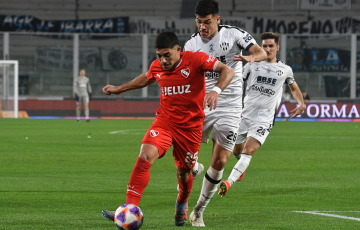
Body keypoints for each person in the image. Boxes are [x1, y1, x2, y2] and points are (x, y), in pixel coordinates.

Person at [101, 31, 235, 227]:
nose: (162, 60)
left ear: (178, 50)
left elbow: (227, 71)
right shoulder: (157, 67)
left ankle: (182, 201)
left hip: (190, 129)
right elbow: (146, 78)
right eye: (159, 56)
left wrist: (216, 91)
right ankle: (128, 209)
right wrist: (119, 88)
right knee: (145, 155)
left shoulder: (196, 59)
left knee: (183, 173)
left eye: (166, 55)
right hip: (165, 122)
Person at [184, 0, 267, 227]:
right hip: (202, 103)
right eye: (199, 22)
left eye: (207, 22)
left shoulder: (234, 35)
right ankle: (194, 167)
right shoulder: (191, 45)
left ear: (217, 19)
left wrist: (251, 58)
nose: (203, 26)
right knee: (183, 154)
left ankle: (199, 210)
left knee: (220, 161)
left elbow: (259, 52)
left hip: (230, 105)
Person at [218, 32, 305, 197]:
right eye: (264, 46)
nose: (267, 49)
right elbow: (236, 82)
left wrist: (301, 104)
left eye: (271, 46)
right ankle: (240, 168)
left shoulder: (285, 70)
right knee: (237, 150)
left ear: (277, 48)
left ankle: (229, 182)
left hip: (264, 118)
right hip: (244, 114)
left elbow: (293, 87)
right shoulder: (251, 65)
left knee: (249, 150)